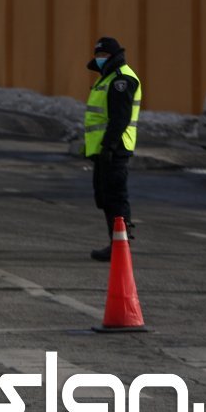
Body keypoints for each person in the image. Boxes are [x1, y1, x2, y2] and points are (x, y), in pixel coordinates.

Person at [84, 36, 142, 261]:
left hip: (115, 148)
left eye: (103, 55)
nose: (99, 59)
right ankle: (116, 242)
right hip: (104, 149)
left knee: (116, 197)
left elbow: (120, 118)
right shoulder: (107, 77)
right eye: (97, 55)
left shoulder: (121, 79)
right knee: (105, 197)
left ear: (113, 56)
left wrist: (108, 145)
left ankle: (121, 245)